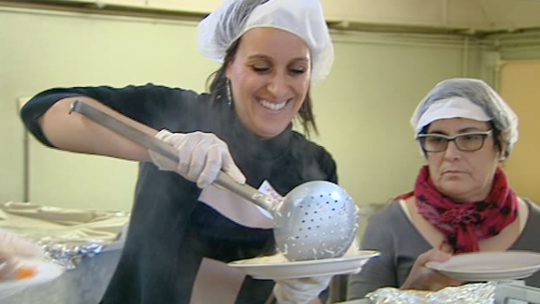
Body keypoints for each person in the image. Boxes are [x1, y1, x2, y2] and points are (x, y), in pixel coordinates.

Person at [20, 0, 338, 303]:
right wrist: (162, 144)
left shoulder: (316, 169)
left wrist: (302, 293)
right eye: (260, 67)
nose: (278, 88)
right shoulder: (178, 113)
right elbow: (44, 113)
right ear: (229, 65)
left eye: (296, 70)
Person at [347, 78, 540, 299]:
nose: (450, 154)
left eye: (469, 138)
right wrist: (411, 294)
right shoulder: (389, 226)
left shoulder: (535, 225)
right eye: (437, 140)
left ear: (501, 145)